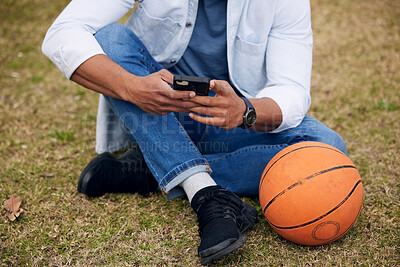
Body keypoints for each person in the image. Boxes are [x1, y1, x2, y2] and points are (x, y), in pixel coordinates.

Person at [42, 0, 347, 264]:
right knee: (111, 38)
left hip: (231, 122)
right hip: (155, 119)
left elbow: (291, 89)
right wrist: (133, 88)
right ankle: (204, 193)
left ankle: (155, 169)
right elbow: (62, 34)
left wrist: (245, 109)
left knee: (328, 149)